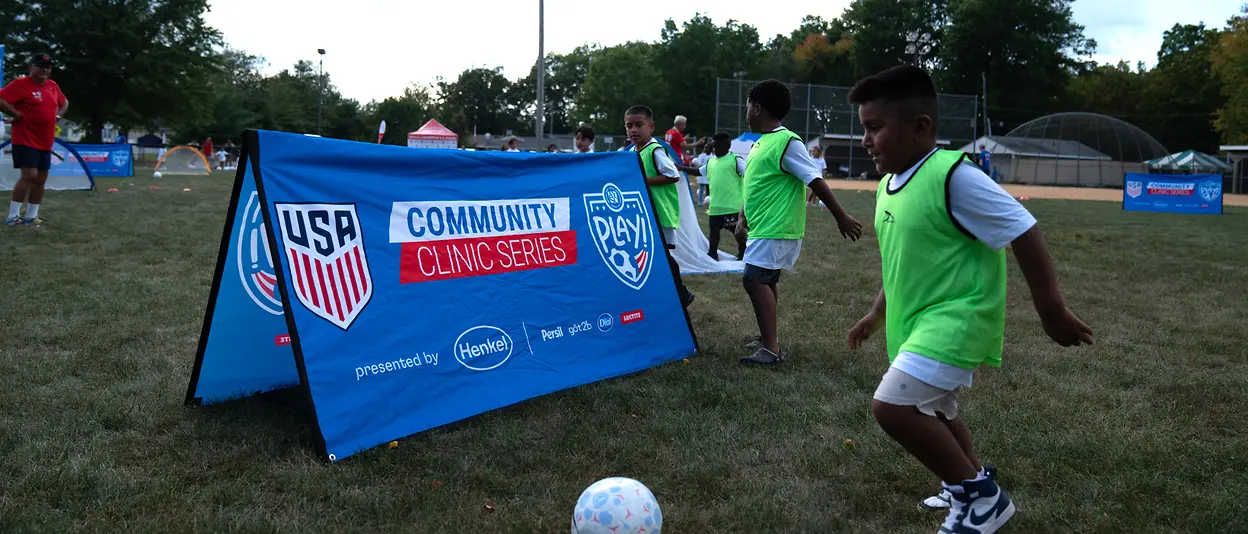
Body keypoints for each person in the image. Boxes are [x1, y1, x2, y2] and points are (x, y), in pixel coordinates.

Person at [843, 65, 1093, 534]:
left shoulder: (953, 174)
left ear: (921, 127)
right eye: (864, 128)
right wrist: (876, 314)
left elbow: (1024, 227)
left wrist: (1052, 311)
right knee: (936, 410)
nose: (865, 141)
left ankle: (982, 500)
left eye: (875, 128)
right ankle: (967, 478)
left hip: (958, 319)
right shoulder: (886, 186)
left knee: (891, 407)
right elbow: (902, 263)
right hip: (913, 323)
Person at [734, 80, 863, 365]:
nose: (746, 112)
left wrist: (841, 216)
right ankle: (769, 338)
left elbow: (815, 180)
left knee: (753, 279)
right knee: (766, 279)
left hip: (778, 227)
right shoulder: (760, 143)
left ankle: (771, 349)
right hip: (763, 227)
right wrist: (743, 217)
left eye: (747, 107)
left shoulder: (787, 142)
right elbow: (753, 184)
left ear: (757, 107)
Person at [626, 105, 694, 308]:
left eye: (639, 125)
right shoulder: (631, 151)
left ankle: (682, 293)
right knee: (651, 254)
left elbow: (672, 174)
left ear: (651, 126)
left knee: (662, 255)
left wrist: (644, 180)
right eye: (629, 126)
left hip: (659, 212)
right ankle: (665, 293)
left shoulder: (655, 150)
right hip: (643, 213)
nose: (633, 130)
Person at [0, 53, 69, 228]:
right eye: (40, 66)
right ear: (31, 67)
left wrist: (58, 115)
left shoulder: (52, 86)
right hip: (25, 138)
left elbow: (64, 102)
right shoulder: (20, 84)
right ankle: (12, 216)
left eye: (48, 67)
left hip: (45, 140)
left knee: (41, 179)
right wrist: (16, 114)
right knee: (29, 175)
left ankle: (31, 216)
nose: (45, 70)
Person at [680, 132, 746, 260]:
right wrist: (682, 168)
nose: (714, 149)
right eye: (713, 146)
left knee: (737, 232)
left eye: (716, 147)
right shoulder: (711, 162)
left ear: (726, 146)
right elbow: (699, 171)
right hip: (715, 206)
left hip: (733, 206)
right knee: (714, 233)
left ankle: (744, 252)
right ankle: (712, 253)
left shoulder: (735, 159)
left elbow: (748, 174)